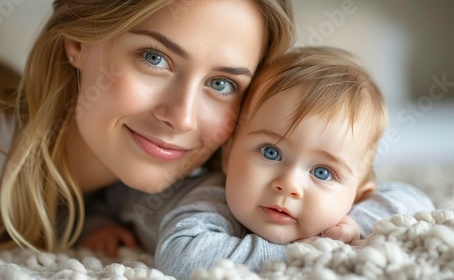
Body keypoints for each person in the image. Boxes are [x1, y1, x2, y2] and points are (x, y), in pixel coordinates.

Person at [0, 0, 295, 253]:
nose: (182, 117)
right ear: (79, 41)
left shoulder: (123, 207)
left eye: (221, 84)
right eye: (155, 58)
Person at [151, 46, 421, 279]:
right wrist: (309, 248)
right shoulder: (210, 200)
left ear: (358, 195)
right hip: (123, 198)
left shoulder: (353, 204)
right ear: (228, 154)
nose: (289, 184)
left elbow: (415, 203)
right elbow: (179, 258)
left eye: (322, 172)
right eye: (271, 152)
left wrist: (351, 223)